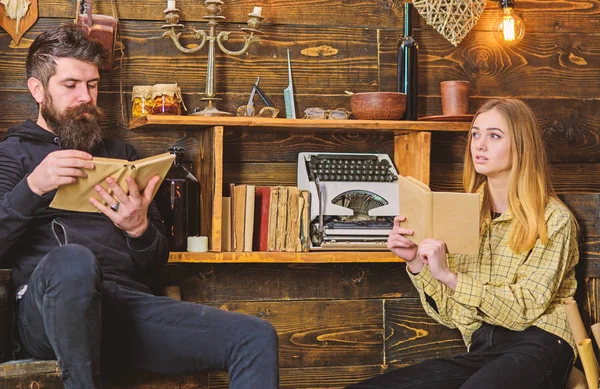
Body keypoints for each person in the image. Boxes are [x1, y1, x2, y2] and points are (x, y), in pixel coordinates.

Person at [0, 24, 278, 389]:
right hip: (49, 314)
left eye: (93, 85)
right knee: (74, 260)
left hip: (126, 310)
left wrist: (139, 229)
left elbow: (155, 260)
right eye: (71, 85)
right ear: (38, 90)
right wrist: (33, 186)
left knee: (255, 336)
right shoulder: (12, 156)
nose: (85, 97)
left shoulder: (123, 156)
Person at [347, 99, 579, 389]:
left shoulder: (553, 219)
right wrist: (416, 262)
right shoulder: (465, 214)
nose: (480, 145)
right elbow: (450, 314)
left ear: (522, 145)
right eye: (475, 134)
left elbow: (525, 310)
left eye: (494, 135)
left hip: (541, 344)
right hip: (482, 349)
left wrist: (452, 277)